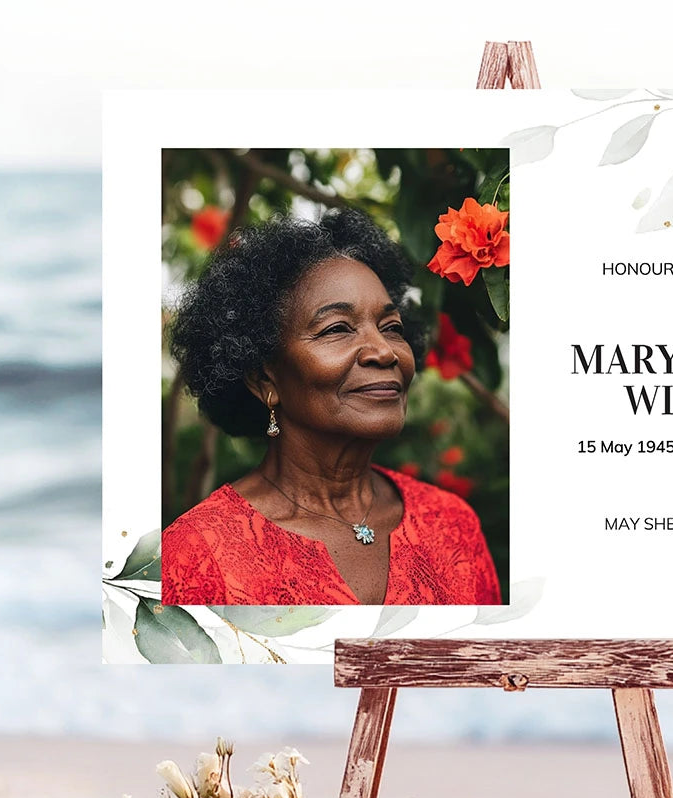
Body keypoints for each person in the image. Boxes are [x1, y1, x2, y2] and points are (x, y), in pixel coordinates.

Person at [161, 209, 501, 606]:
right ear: (265, 380)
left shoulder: (452, 524)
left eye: (391, 327)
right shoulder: (196, 556)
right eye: (337, 328)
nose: (384, 351)